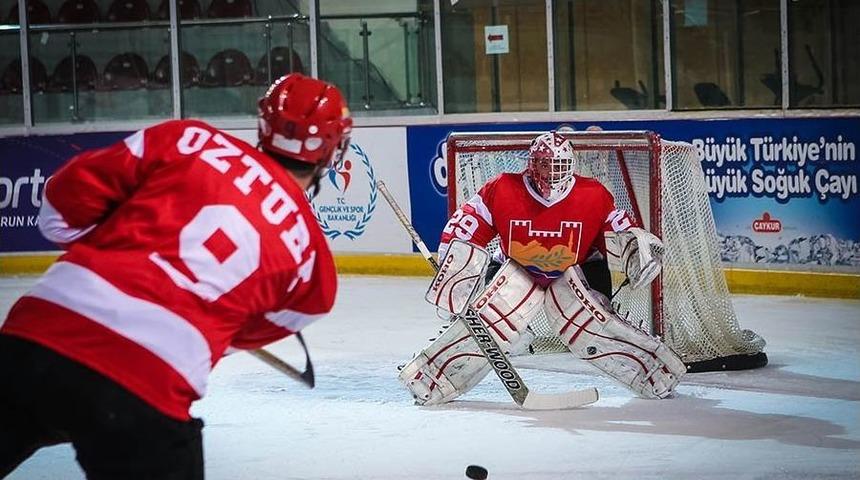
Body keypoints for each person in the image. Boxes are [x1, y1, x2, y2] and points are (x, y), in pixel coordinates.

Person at [0, 73, 352, 479]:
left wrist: (118, 246)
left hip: (35, 339)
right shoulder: (315, 272)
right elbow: (234, 335)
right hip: (145, 388)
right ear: (331, 149)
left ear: (264, 122)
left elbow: (60, 207)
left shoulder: (188, 139)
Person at [398, 131, 686, 406]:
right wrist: (455, 263)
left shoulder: (593, 194)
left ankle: (655, 371)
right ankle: (432, 380)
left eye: (558, 165)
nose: (551, 172)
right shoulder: (502, 187)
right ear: (531, 163)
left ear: (571, 165)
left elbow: (620, 234)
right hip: (516, 266)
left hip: (580, 268)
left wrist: (637, 253)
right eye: (544, 164)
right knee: (491, 319)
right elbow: (467, 226)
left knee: (588, 321)